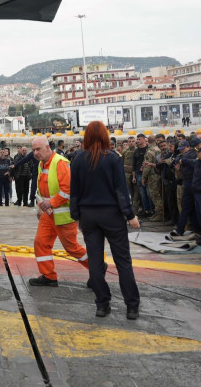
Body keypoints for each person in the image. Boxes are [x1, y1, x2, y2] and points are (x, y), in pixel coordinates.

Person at [70, 121, 141, 319]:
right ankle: (132, 306)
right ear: (104, 136)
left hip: (88, 216)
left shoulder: (77, 159)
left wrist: (76, 216)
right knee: (123, 261)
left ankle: (102, 304)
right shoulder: (112, 158)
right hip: (111, 214)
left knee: (94, 261)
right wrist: (130, 215)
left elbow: (73, 193)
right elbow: (121, 190)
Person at [27, 136, 89, 287]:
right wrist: (41, 205)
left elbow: (67, 190)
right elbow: (42, 190)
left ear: (47, 148)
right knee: (40, 242)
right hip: (48, 214)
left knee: (72, 248)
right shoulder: (42, 164)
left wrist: (50, 203)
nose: (35, 153)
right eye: (33, 150)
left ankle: (97, 266)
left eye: (38, 149)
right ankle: (48, 276)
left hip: (62, 215)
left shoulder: (60, 163)